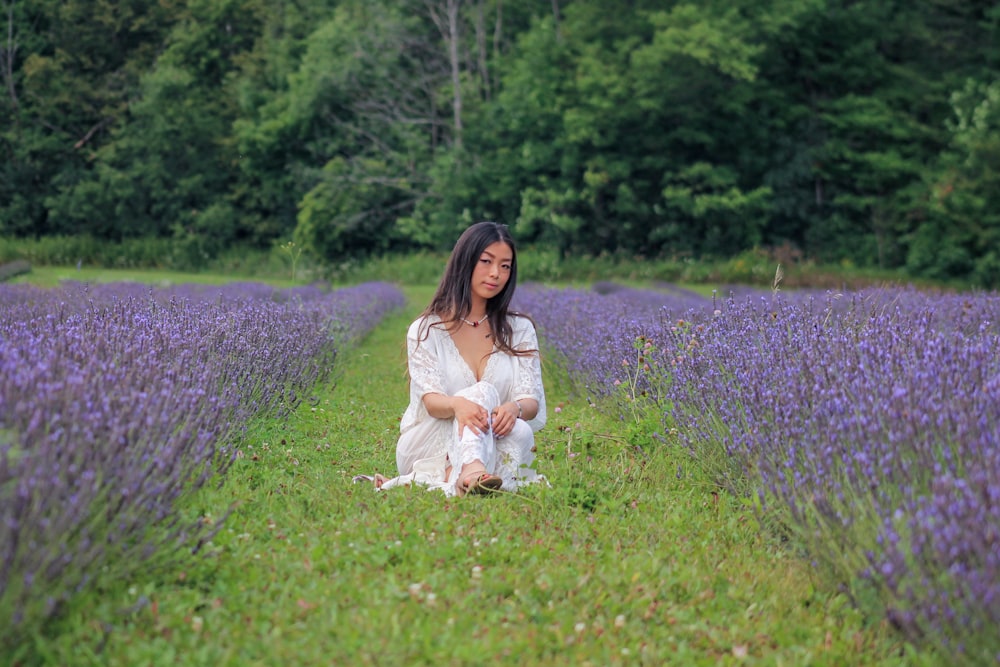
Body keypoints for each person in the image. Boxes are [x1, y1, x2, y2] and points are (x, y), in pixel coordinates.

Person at [371, 221, 546, 496]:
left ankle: (459, 480)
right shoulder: (428, 329)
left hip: (493, 435)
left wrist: (514, 409)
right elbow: (431, 402)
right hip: (432, 441)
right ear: (465, 262)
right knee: (483, 391)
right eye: (486, 261)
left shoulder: (520, 329)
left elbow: (531, 401)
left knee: (522, 432)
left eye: (505, 266)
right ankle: (472, 471)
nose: (495, 274)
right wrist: (458, 406)